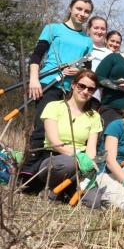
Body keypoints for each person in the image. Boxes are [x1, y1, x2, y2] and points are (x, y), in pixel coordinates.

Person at [26, 0, 94, 153]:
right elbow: (36, 56)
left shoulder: (87, 41)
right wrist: (34, 79)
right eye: (79, 9)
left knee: (63, 132)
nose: (82, 13)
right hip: (49, 84)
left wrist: (79, 72)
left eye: (86, 11)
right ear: (70, 8)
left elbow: (87, 70)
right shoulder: (53, 28)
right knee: (41, 129)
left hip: (71, 91)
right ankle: (29, 170)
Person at [32, 70, 103, 198]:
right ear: (73, 85)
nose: (86, 91)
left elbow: (91, 150)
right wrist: (78, 156)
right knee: (70, 163)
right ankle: (50, 187)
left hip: (80, 166)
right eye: (82, 86)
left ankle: (62, 191)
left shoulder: (95, 117)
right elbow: (55, 143)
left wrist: (89, 165)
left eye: (91, 89)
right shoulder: (54, 106)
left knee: (94, 200)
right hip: (54, 160)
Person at [88, 16, 110, 110]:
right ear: (89, 30)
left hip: (95, 98)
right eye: (96, 28)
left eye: (103, 29)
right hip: (75, 93)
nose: (99, 31)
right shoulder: (81, 46)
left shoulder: (109, 54)